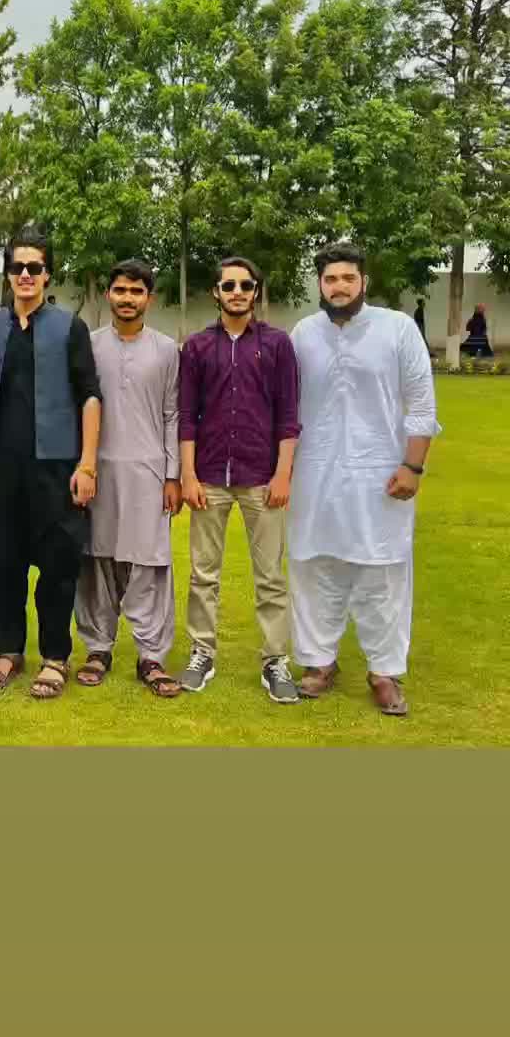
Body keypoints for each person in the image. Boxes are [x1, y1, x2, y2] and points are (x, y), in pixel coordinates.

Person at [288, 244, 441, 717]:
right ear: (320, 284)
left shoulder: (397, 329)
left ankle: (384, 672)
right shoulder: (303, 334)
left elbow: (421, 401)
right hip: (313, 473)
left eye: (348, 278)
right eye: (330, 279)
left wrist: (413, 466)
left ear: (363, 282)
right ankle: (318, 662)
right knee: (314, 565)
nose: (339, 287)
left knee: (384, 571)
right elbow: (285, 405)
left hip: (381, 475)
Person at [0, 226, 101, 701]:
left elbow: (90, 396)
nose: (25, 274)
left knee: (58, 564)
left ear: (47, 274)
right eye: (17, 267)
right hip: (1, 467)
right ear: (8, 274)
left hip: (56, 466)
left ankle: (55, 656)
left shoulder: (69, 327)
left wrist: (87, 465)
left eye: (34, 267)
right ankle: (8, 649)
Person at [178, 255, 301, 704]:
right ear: (216, 292)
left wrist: (283, 474)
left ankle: (275, 660)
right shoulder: (197, 347)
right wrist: (188, 475)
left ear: (255, 291)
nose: (236, 292)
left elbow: (289, 415)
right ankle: (202, 653)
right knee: (203, 574)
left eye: (244, 285)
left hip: (261, 477)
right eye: (228, 285)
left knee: (270, 577)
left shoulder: (277, 345)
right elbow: (186, 417)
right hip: (209, 476)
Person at [74, 259, 183, 698]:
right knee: (96, 559)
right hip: (97, 470)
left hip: (149, 471)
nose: (127, 298)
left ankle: (151, 656)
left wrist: (173, 474)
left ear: (148, 299)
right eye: (120, 290)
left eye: (136, 291)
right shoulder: (89, 345)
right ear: (109, 295)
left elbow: (172, 413)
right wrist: (80, 467)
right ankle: (97, 648)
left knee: (149, 563)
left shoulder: (167, 350)